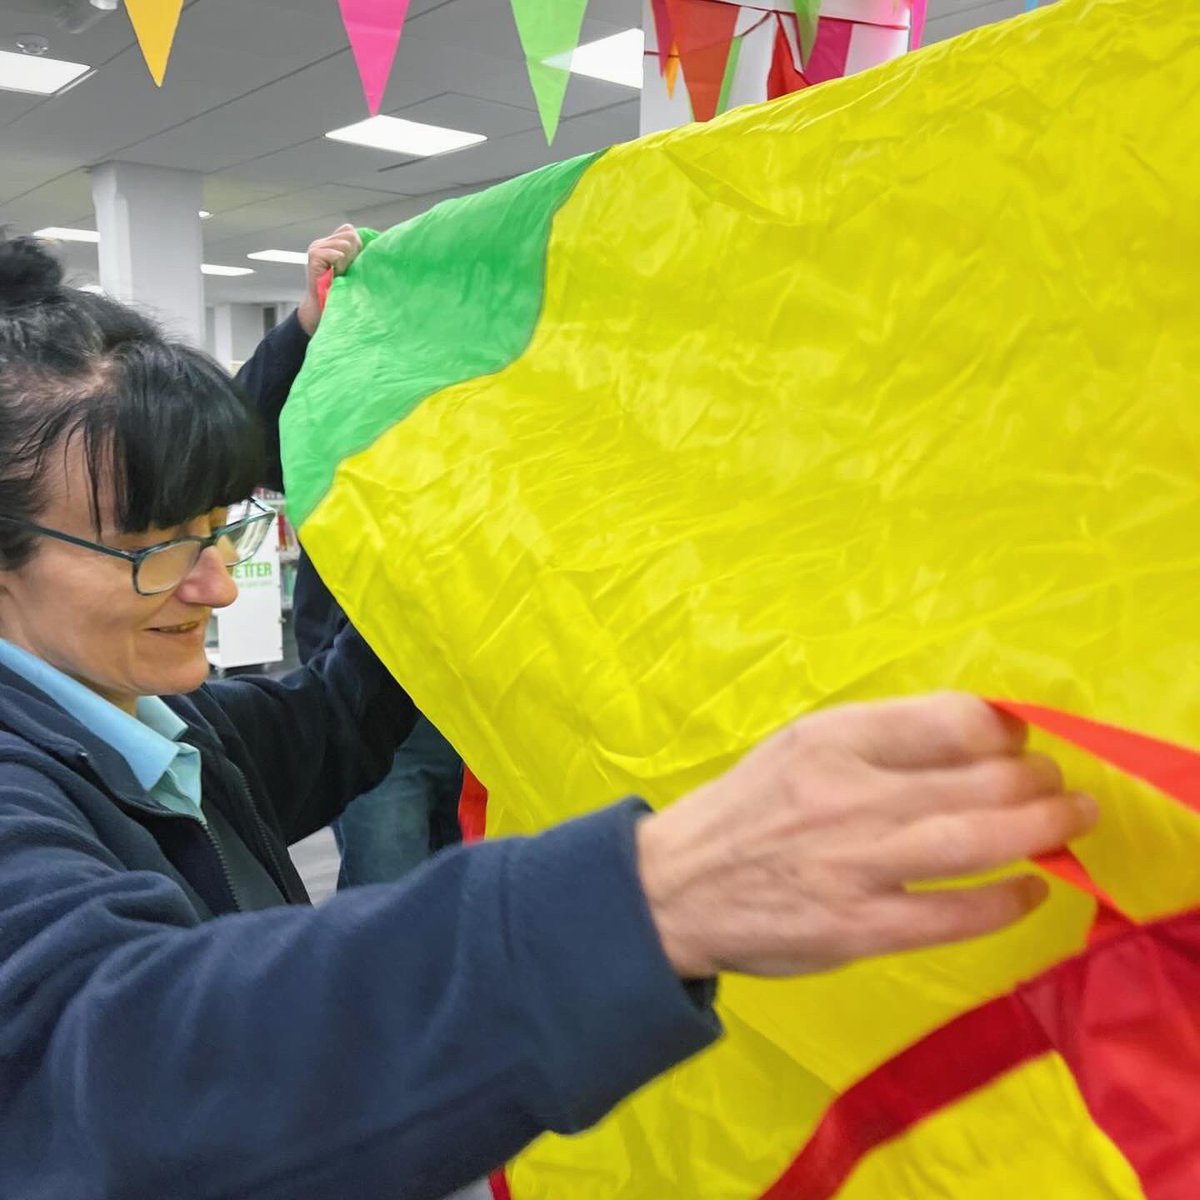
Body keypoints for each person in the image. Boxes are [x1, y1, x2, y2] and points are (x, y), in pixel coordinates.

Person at [0, 235, 1096, 1200]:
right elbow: (119, 1069)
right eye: (153, 550)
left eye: (216, 529)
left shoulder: (156, 728)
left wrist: (484, 552)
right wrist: (647, 896)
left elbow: (336, 719)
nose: (219, 588)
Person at [238, 224, 464, 887]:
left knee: (472, 884)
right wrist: (311, 318)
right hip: (369, 696)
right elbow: (241, 441)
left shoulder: (499, 410)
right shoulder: (346, 406)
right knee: (389, 889)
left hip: (484, 699)